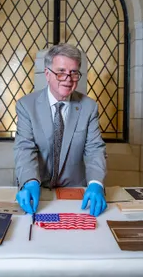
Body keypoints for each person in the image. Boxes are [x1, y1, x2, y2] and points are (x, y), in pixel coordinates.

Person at [14, 43, 107, 217]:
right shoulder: (26, 105)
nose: (68, 79)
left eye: (73, 72)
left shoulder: (89, 107)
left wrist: (96, 183)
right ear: (47, 74)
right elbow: (24, 148)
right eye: (61, 72)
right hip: (37, 193)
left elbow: (95, 149)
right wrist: (30, 181)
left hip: (75, 196)